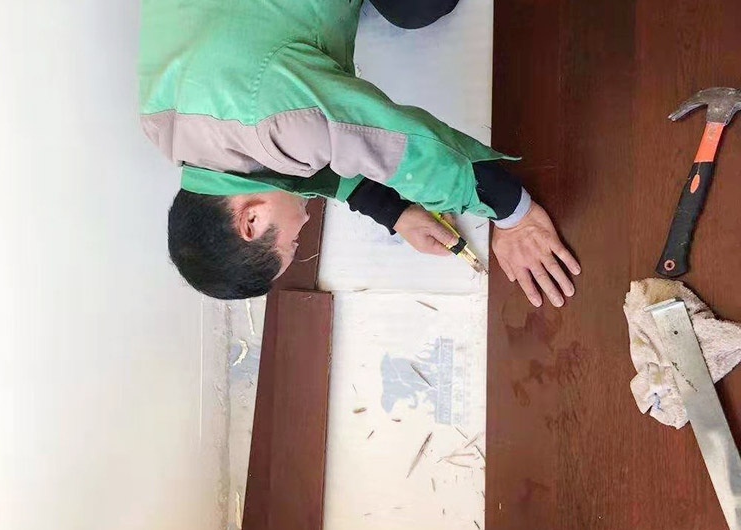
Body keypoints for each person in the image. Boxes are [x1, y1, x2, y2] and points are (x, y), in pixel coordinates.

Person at [139, 0, 581, 305]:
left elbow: (405, 147)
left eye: (293, 241)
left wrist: (514, 215)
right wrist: (395, 212)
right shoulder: (164, 126)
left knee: (423, 7)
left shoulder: (275, 117)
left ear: (251, 221)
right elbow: (295, 158)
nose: (305, 225)